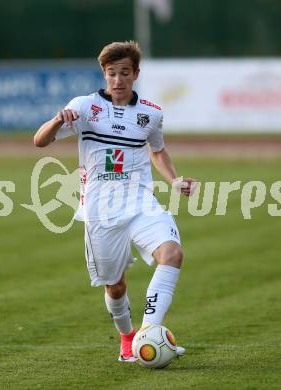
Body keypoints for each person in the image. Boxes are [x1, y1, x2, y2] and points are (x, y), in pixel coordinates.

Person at [34, 41, 196, 362]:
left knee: (172, 253)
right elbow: (40, 141)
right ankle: (127, 337)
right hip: (100, 211)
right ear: (104, 74)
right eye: (112, 74)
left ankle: (149, 333)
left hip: (140, 203)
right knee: (116, 286)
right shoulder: (84, 107)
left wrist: (174, 179)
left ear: (136, 74)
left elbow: (157, 150)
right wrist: (57, 120)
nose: (118, 80)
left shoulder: (150, 114)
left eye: (125, 73)